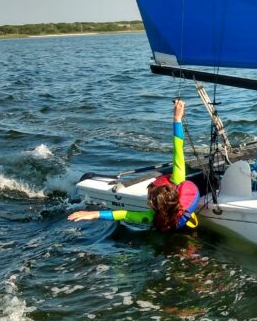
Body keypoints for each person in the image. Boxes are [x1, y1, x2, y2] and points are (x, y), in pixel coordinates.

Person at [68, 99, 200, 231]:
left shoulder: (151, 217)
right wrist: (177, 118)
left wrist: (94, 214)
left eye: (149, 200)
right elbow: (178, 148)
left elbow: (123, 214)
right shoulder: (178, 179)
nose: (148, 200)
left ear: (158, 208)